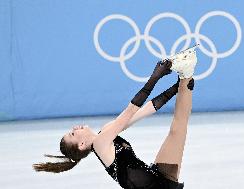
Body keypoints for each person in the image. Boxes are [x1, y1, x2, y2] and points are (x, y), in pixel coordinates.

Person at [33, 47, 198, 189]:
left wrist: (176, 88)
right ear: (82, 145)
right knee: (178, 128)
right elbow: (131, 109)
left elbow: (143, 110)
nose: (75, 128)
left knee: (177, 129)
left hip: (155, 176)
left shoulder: (105, 131)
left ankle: (186, 75)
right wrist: (154, 78)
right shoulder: (100, 144)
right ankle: (187, 73)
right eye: (73, 134)